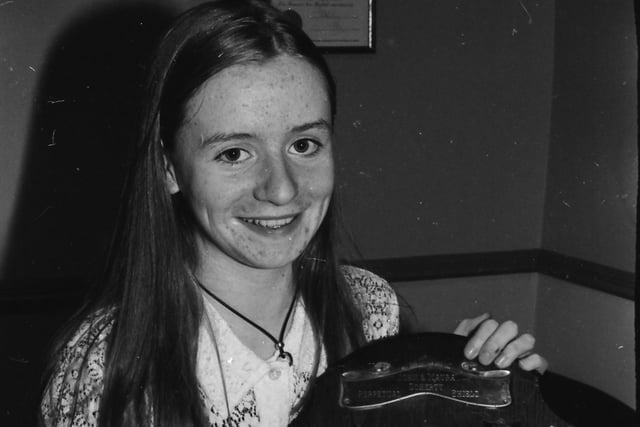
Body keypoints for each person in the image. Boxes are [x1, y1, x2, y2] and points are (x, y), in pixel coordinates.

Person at [39, 1, 547, 426]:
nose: (281, 190)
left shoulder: (371, 312)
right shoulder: (104, 368)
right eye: (234, 153)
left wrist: (470, 388)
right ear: (169, 168)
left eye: (304, 144)